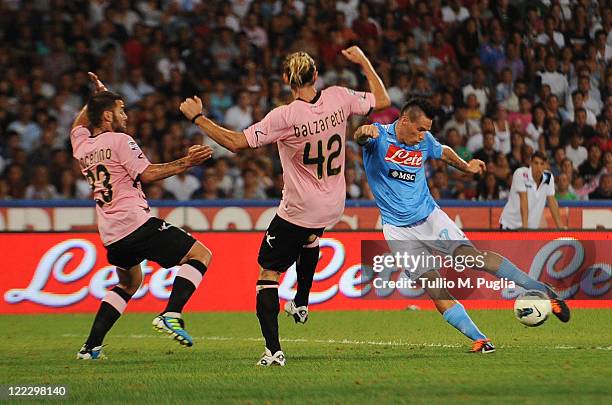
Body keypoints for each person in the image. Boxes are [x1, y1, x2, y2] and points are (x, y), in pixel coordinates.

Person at [180, 47, 390, 366]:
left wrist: (198, 118)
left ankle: (273, 350)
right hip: (334, 203)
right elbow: (383, 101)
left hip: (300, 208)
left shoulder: (286, 116)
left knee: (267, 273)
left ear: (285, 80)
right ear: (316, 76)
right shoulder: (339, 97)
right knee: (309, 237)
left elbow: (237, 143)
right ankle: (302, 302)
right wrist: (363, 61)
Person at [354, 99, 570, 354]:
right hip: (398, 230)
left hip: (430, 218)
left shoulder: (424, 141)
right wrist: (362, 131)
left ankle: (545, 291)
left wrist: (465, 167)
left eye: (427, 130)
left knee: (471, 259)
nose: (424, 135)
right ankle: (481, 340)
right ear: (404, 121)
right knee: (435, 289)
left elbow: (442, 150)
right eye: (420, 129)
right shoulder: (379, 137)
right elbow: (361, 137)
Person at [74, 73, 214, 360]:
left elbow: (78, 125)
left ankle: (90, 347)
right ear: (107, 117)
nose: (125, 114)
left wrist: (97, 96)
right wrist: (187, 161)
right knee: (200, 255)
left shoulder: (82, 146)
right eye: (120, 109)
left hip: (112, 235)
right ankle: (171, 313)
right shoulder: (120, 140)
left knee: (128, 283)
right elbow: (148, 173)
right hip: (135, 223)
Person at [500, 151, 564, 230]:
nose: (538, 167)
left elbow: (552, 202)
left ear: (546, 165)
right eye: (536, 163)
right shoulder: (521, 174)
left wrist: (561, 229)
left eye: (542, 164)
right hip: (510, 225)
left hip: (531, 228)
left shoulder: (548, 178)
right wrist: (525, 229)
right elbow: (524, 201)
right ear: (530, 163)